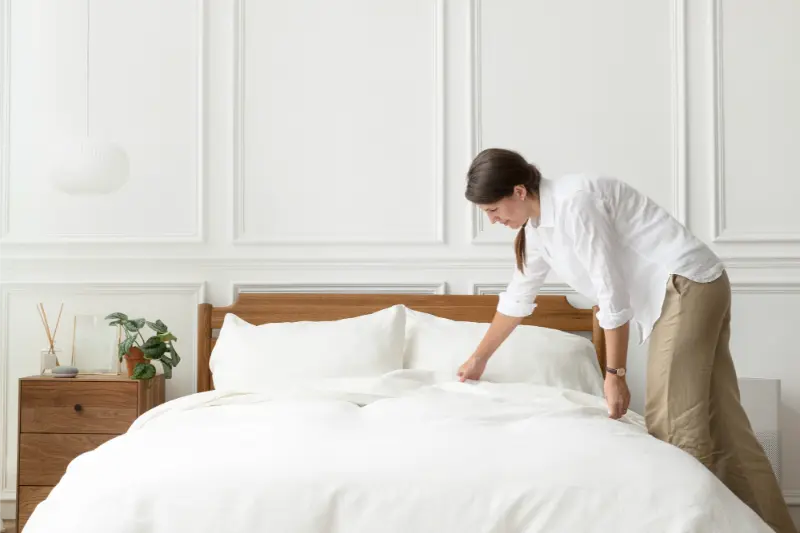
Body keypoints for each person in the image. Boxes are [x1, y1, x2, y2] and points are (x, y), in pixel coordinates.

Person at [456, 147, 797, 533]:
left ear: (518, 191)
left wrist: (614, 374)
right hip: (696, 283)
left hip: (685, 285)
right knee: (725, 428)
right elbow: (518, 298)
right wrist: (478, 359)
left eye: (492, 209)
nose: (493, 219)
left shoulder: (573, 204)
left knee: (673, 427)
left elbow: (611, 293)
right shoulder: (538, 231)